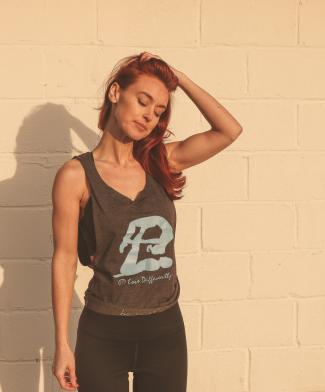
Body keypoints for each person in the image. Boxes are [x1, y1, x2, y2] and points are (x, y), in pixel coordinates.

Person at [51, 51, 243, 391]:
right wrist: (62, 344)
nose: (149, 116)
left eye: (158, 111)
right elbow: (65, 259)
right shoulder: (75, 176)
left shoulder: (161, 162)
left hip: (165, 332)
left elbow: (229, 130)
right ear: (115, 93)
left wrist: (177, 77)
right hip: (104, 333)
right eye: (143, 101)